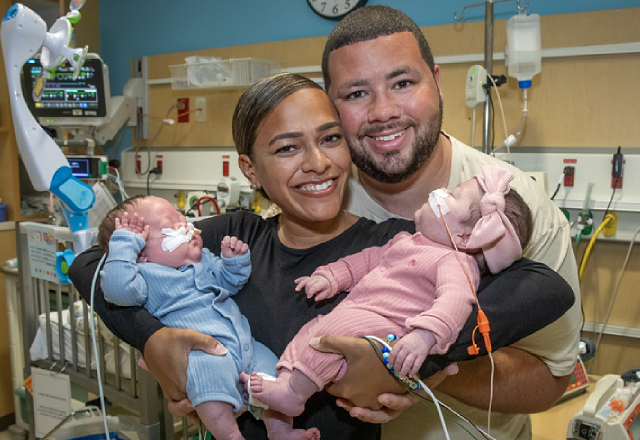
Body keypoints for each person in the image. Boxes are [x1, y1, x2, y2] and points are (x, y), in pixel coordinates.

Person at [68, 73, 574, 440]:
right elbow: (87, 264)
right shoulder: (237, 238)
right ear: (250, 169)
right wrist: (155, 339)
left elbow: (545, 288)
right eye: (287, 149)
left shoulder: (391, 244)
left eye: (330, 139)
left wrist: (409, 361)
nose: (317, 164)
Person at [314, 5, 582, 439]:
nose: (383, 111)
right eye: (356, 93)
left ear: (437, 83)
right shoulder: (318, 204)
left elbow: (550, 379)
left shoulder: (514, 212)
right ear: (331, 106)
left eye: (402, 83)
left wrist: (428, 367)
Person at [247, 166, 532, 422]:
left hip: (386, 327)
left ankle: (294, 394)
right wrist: (332, 276)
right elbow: (368, 260)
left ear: (465, 239)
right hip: (357, 311)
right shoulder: (407, 241)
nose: (441, 192)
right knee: (312, 331)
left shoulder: (455, 262)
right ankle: (282, 404)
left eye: (454, 195)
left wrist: (424, 336)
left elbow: (455, 301)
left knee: (330, 336)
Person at [98, 195, 320, 440]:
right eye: (172, 227)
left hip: (246, 346)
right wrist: (123, 246)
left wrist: (234, 263)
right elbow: (116, 289)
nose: (187, 228)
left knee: (274, 376)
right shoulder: (144, 276)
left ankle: (280, 429)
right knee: (209, 386)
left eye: (183, 219)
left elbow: (228, 284)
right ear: (140, 254)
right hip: (205, 353)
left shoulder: (204, 258)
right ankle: (230, 435)